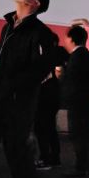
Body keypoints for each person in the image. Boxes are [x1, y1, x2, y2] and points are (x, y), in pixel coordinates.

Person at [0, 0, 55, 178]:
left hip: (20, 98)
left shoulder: (39, 32)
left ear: (34, 3)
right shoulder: (8, 26)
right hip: (1, 94)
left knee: (19, 145)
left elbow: (42, 67)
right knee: (9, 145)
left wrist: (16, 85)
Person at [61, 25, 89, 177]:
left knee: (79, 134)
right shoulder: (88, 56)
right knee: (87, 132)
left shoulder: (77, 57)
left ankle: (82, 167)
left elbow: (73, 82)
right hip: (86, 101)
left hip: (78, 102)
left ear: (71, 39)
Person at [34, 39, 66, 170]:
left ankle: (45, 158)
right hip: (54, 97)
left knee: (41, 128)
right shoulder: (60, 54)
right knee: (50, 127)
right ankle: (54, 157)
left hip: (45, 97)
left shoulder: (49, 57)